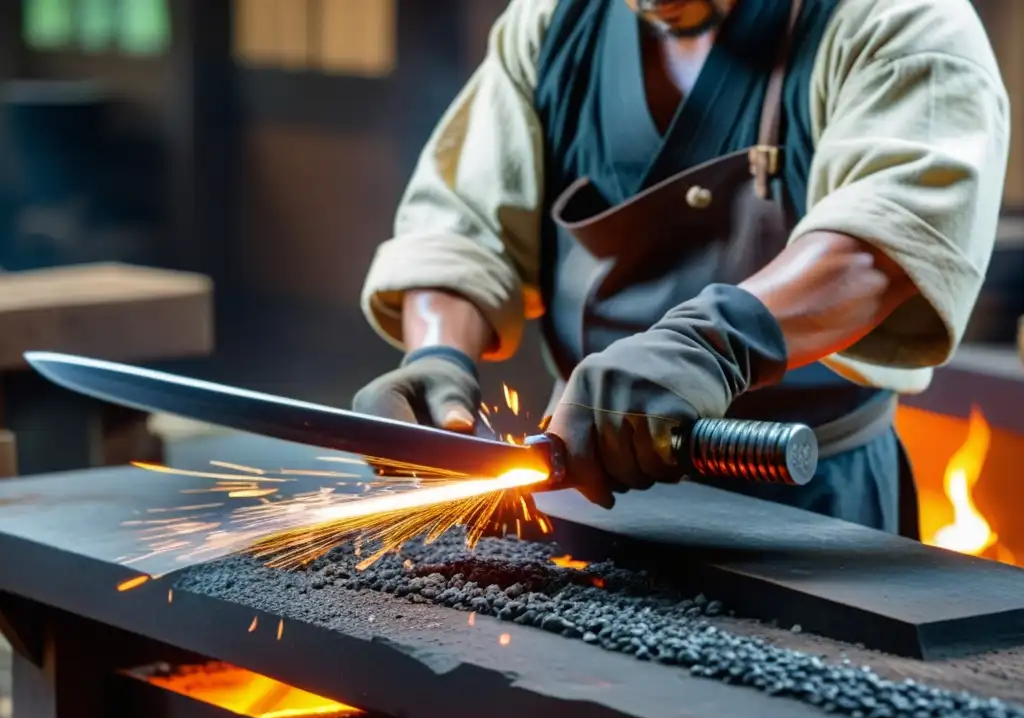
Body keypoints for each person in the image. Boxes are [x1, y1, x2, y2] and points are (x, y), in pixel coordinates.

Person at [352, 0, 1010, 533]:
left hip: (809, 512)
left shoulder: (897, 21)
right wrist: (438, 360)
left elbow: (884, 242)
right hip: (584, 487)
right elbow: (460, 227)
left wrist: (708, 345)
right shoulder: (553, 24)